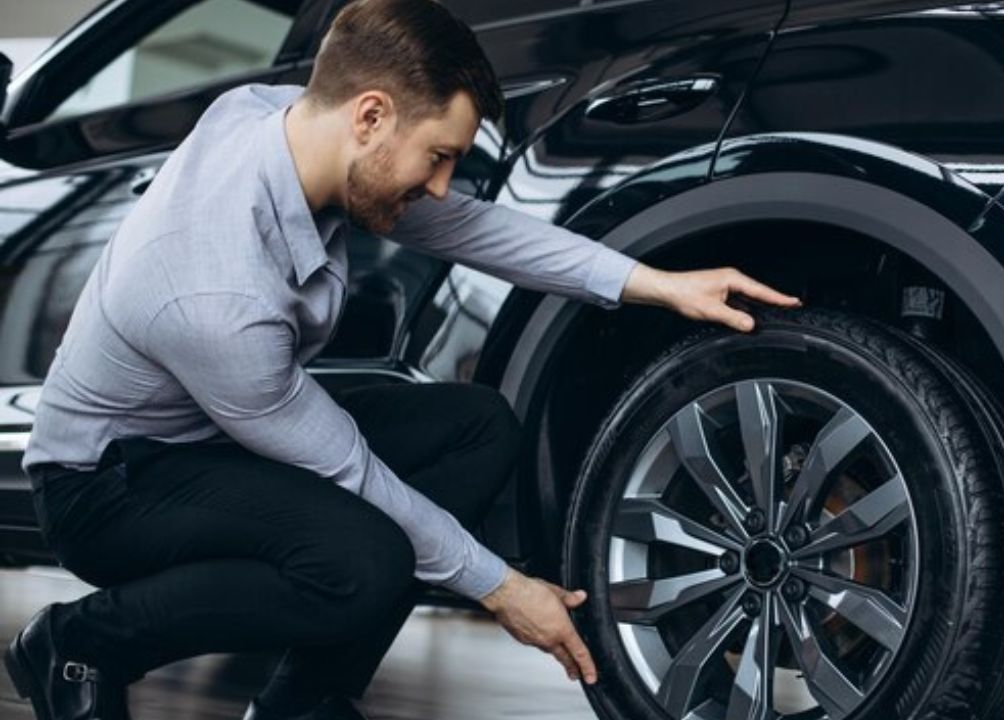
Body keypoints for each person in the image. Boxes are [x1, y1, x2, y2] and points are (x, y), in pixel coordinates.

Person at [3, 1, 803, 719]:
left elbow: (470, 230)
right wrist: (503, 589)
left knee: (476, 428)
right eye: (439, 157)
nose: (446, 186)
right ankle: (82, 641)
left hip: (212, 438)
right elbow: (352, 472)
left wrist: (656, 284)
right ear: (371, 116)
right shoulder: (214, 296)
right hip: (106, 486)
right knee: (365, 561)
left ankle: (302, 702)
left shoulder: (282, 119)